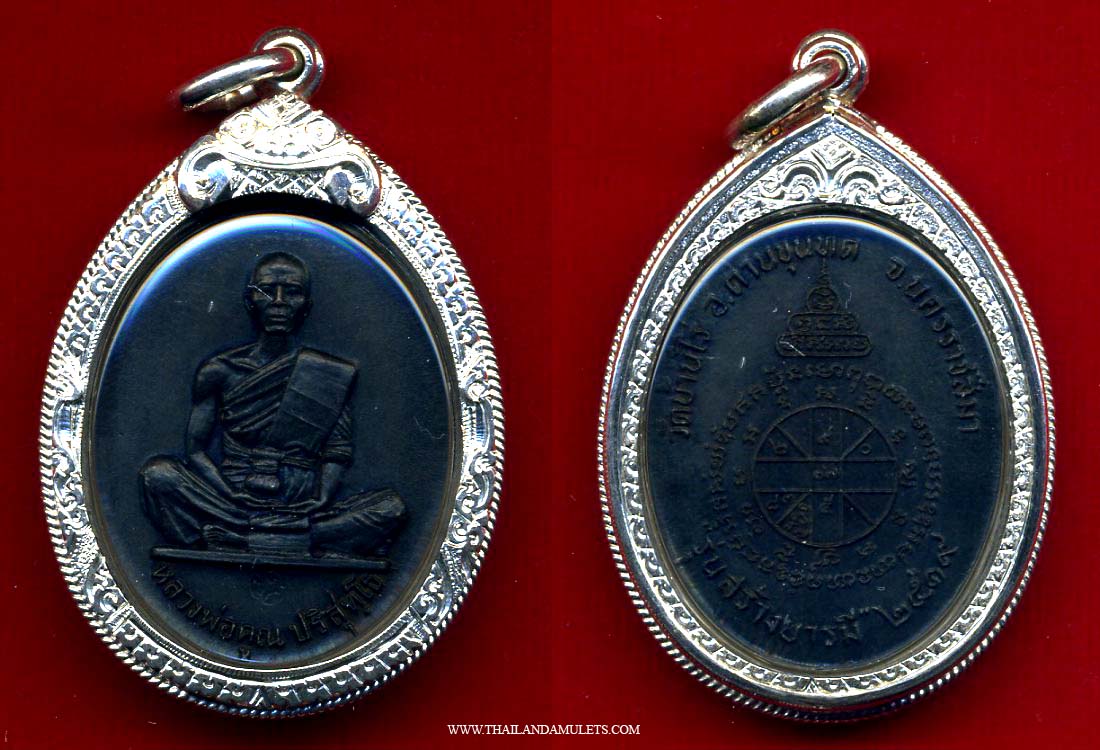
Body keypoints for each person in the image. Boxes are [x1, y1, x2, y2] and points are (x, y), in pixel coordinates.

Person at [140, 251, 405, 558]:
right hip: (232, 502)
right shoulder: (220, 371)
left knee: (392, 508)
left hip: (303, 505)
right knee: (157, 475)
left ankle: (245, 539)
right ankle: (291, 539)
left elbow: (337, 451)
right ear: (250, 301)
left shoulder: (328, 373)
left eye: (291, 292)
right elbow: (196, 450)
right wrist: (230, 493)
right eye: (266, 291)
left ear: (306, 306)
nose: (279, 301)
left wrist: (322, 497)